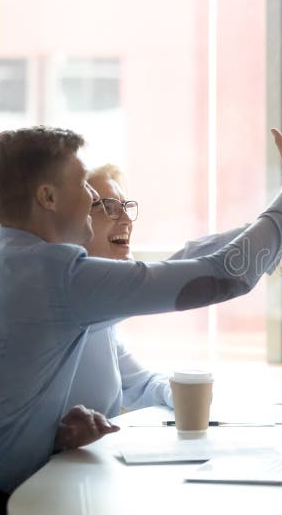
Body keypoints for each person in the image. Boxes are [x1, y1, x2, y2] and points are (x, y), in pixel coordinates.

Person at [0, 88, 282, 502]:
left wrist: (46, 432)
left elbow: (184, 262)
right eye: (83, 186)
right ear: (48, 197)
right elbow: (220, 276)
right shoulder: (58, 278)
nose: (92, 196)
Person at [66, 164, 254, 417]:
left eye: (125, 208)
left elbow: (139, 384)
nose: (125, 220)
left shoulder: (105, 315)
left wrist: (176, 391)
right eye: (108, 208)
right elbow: (196, 267)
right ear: (75, 220)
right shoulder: (74, 297)